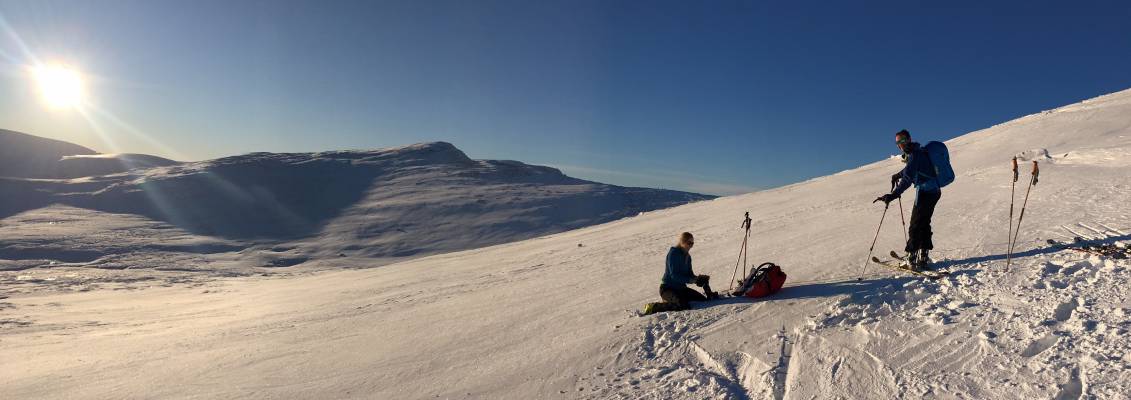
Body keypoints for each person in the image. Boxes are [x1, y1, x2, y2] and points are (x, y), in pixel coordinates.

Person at [874, 129, 943, 270]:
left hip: (926, 192)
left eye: (903, 140)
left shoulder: (914, 155)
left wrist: (893, 195)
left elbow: (908, 178)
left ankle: (911, 257)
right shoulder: (916, 152)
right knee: (923, 222)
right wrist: (897, 175)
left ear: (909, 139)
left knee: (915, 225)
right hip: (933, 191)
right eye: (898, 142)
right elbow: (909, 170)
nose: (900, 144)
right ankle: (923, 256)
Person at [642, 232, 718, 315]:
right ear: (682, 242)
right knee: (682, 305)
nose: (691, 246)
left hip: (681, 288)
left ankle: (675, 299)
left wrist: (698, 279)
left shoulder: (687, 257)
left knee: (702, 300)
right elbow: (674, 276)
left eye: (692, 243)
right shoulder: (673, 254)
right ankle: (653, 307)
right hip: (668, 288)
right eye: (689, 243)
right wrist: (692, 280)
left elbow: (689, 274)